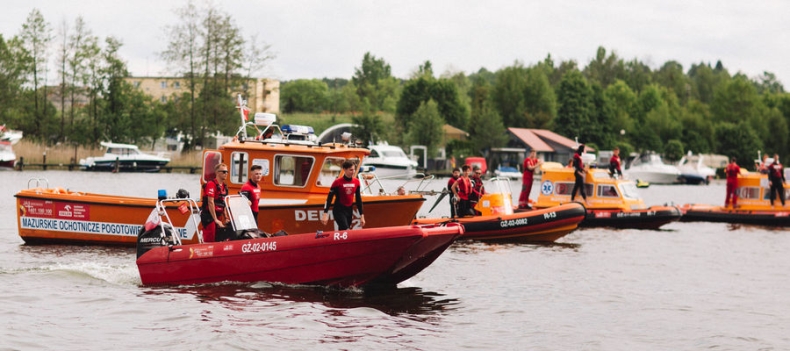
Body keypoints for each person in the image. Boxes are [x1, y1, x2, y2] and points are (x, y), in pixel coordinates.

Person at [321, 160, 365, 230]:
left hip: (349, 210)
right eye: (351, 170)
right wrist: (325, 213)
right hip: (339, 210)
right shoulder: (337, 182)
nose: (353, 172)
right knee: (346, 230)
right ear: (344, 169)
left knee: (343, 232)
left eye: (354, 170)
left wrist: (361, 215)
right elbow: (329, 198)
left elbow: (358, 199)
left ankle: (339, 241)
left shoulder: (356, 182)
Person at [201, 163, 230, 242]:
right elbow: (210, 202)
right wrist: (215, 219)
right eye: (223, 172)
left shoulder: (224, 187)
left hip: (218, 215)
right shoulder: (211, 184)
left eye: (227, 172)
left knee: (220, 237)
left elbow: (223, 203)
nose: (226, 174)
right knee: (210, 237)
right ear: (217, 172)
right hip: (209, 216)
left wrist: (226, 217)